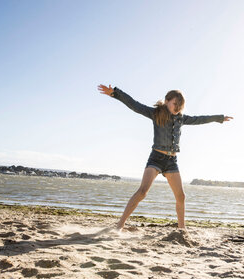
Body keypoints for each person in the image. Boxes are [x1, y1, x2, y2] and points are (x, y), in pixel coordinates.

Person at [98, 84, 233, 230]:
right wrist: (115, 93)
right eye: (175, 104)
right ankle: (119, 225)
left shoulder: (181, 118)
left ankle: (182, 230)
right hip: (156, 158)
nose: (177, 108)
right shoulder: (155, 113)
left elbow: (199, 119)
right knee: (142, 192)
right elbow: (135, 105)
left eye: (180, 106)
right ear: (167, 101)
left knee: (181, 196)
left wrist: (219, 118)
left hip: (171, 162)